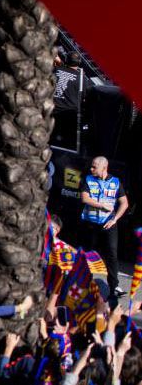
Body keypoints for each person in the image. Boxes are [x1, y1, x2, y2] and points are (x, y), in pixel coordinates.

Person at [80, 156, 129, 296]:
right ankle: (82, 283)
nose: (91, 169)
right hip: (89, 223)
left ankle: (114, 287)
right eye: (91, 166)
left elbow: (124, 203)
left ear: (104, 168)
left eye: (94, 167)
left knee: (112, 253)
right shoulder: (88, 179)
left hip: (108, 223)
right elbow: (85, 198)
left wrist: (115, 219)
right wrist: (102, 205)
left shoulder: (115, 182)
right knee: (87, 253)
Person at [52, 51, 84, 149]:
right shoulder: (81, 78)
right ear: (79, 63)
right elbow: (84, 97)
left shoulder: (56, 70)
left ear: (66, 60)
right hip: (69, 115)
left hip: (52, 111)